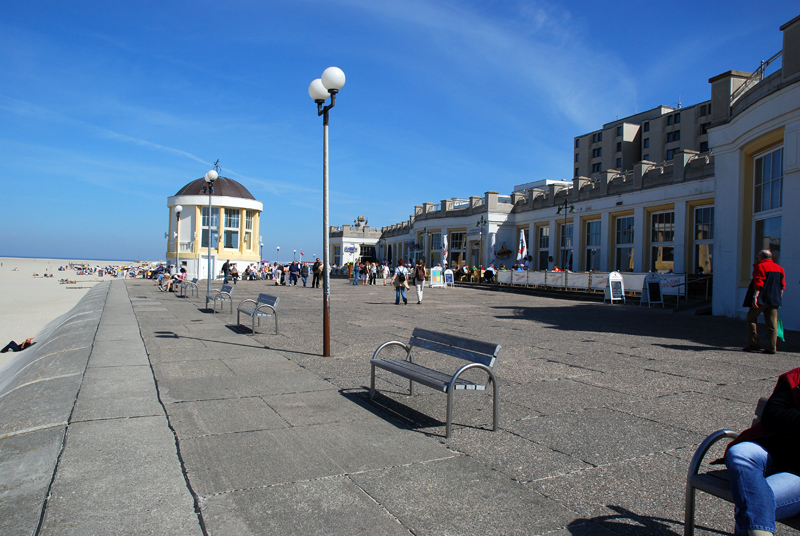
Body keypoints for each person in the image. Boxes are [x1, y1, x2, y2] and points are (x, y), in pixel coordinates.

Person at [723, 367, 800, 536]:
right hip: (776, 451)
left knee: (752, 503)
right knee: (739, 453)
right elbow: (771, 416)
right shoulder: (796, 378)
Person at [743, 250, 785, 354]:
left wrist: (754, 297)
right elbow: (782, 286)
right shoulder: (780, 268)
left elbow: (758, 283)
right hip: (774, 299)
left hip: (762, 298)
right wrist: (779, 299)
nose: (757, 257)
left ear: (761, 256)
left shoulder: (760, 266)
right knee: (772, 323)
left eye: (758, 255)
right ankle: (772, 347)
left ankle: (754, 343)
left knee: (750, 318)